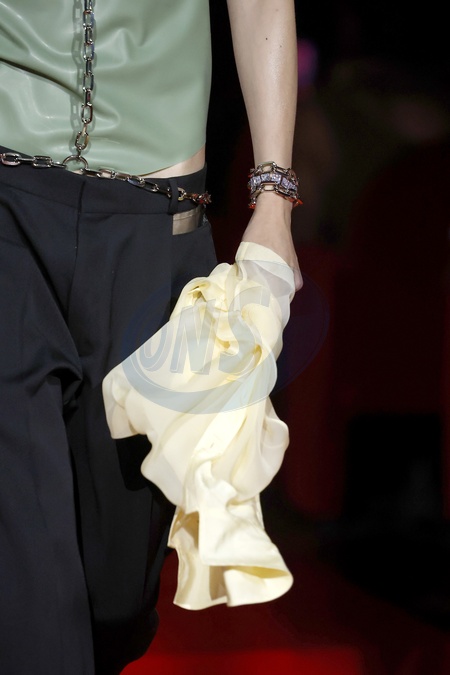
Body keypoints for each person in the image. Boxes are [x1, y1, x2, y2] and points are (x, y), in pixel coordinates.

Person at [0, 1, 301, 673]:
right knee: (28, 574)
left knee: (116, 596)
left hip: (154, 213)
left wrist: (274, 198)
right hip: (8, 193)